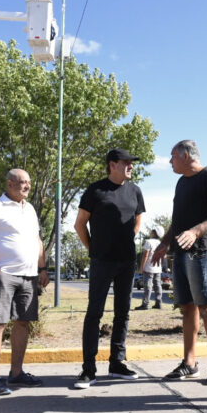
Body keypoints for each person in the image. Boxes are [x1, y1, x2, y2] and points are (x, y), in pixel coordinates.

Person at [151, 140, 207, 385]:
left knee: (206, 306)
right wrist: (165, 243)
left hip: (202, 251)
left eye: (172, 156)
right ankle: (189, 363)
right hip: (181, 252)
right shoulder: (181, 183)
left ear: (185, 155)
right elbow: (178, 221)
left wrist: (195, 232)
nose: (170, 161)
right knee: (187, 307)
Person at [0, 169, 50, 396]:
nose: (27, 186)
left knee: (23, 323)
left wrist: (42, 268)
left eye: (29, 182)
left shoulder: (31, 209)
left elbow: (37, 240)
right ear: (9, 184)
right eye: (23, 182)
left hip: (29, 276)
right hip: (5, 276)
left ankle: (16, 373)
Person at [73, 148, 145, 389]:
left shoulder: (135, 191)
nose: (131, 166)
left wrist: (127, 239)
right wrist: (93, 248)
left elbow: (137, 220)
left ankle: (116, 363)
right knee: (94, 313)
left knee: (123, 313)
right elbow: (80, 224)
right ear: (112, 164)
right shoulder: (95, 190)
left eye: (131, 163)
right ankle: (88, 370)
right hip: (101, 261)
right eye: (126, 162)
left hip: (127, 261)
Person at [135, 226, 165, 310]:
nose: (150, 232)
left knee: (147, 286)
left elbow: (145, 255)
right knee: (157, 286)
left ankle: (145, 304)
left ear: (154, 233)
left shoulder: (149, 242)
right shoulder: (161, 243)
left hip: (148, 268)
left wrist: (141, 268)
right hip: (158, 269)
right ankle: (158, 303)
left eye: (152, 231)